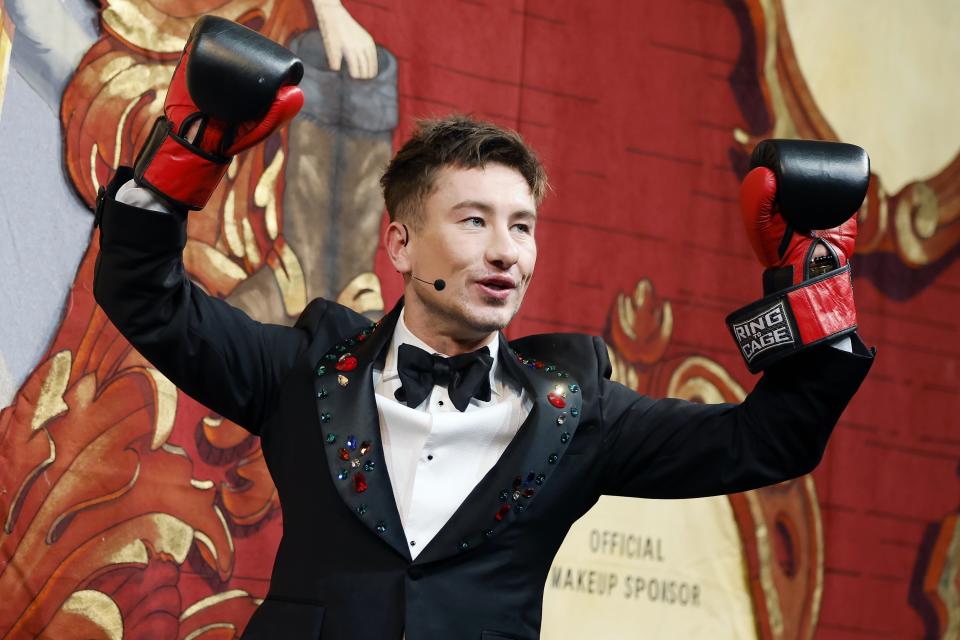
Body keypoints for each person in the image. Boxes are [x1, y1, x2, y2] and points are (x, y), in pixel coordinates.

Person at [92, 17, 873, 640]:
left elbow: (765, 440)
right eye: (474, 221)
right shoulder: (307, 369)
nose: (507, 252)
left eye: (523, 226)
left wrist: (812, 288)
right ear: (399, 242)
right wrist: (182, 162)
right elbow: (152, 302)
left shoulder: (579, 411)